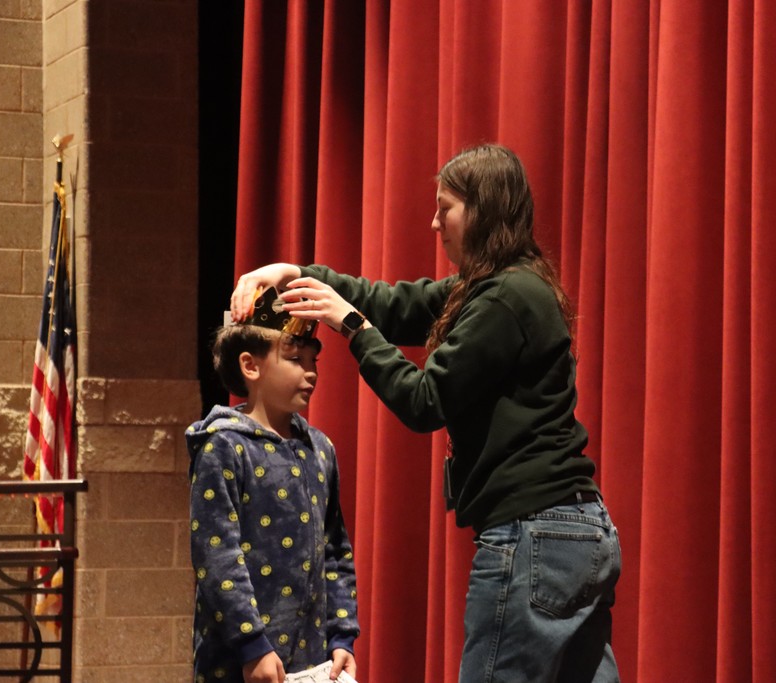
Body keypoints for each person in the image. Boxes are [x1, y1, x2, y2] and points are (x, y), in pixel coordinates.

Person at [230, 143, 621, 682]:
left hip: (536, 533)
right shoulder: (496, 287)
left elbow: (423, 400)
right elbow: (396, 303)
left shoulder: (506, 296)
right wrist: (297, 274)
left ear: (483, 211)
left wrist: (354, 329)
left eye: (446, 207)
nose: (434, 222)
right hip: (575, 532)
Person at [187, 289, 359, 683]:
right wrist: (252, 645)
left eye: (314, 361)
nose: (310, 372)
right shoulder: (224, 445)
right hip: (241, 661)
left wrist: (341, 636)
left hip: (312, 659)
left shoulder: (320, 449)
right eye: (296, 360)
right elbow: (217, 556)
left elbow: (335, 550)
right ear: (250, 365)